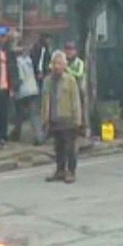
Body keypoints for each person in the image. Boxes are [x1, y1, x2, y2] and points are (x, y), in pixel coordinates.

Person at [41, 51, 83, 184]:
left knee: (70, 148)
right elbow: (45, 101)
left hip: (68, 119)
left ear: (65, 65)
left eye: (59, 63)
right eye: (55, 63)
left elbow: (75, 101)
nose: (57, 66)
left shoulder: (70, 80)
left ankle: (71, 171)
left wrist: (77, 120)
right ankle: (60, 170)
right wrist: (45, 119)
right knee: (58, 148)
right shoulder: (48, 81)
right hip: (54, 119)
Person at [11, 42, 45, 144]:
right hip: (33, 89)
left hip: (22, 92)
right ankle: (39, 136)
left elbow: (20, 78)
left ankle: (16, 134)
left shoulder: (17, 62)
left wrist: (14, 90)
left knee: (19, 114)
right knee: (34, 114)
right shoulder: (28, 60)